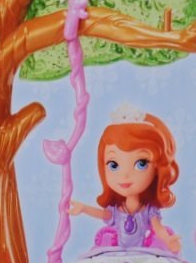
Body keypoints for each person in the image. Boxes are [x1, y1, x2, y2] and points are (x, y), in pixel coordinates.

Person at [68, 106, 182, 253]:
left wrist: (168, 239)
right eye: (113, 165)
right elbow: (103, 214)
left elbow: (158, 228)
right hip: (117, 254)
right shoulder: (117, 209)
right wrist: (84, 208)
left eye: (141, 164)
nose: (125, 176)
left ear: (156, 169)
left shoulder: (148, 211)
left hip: (142, 255)